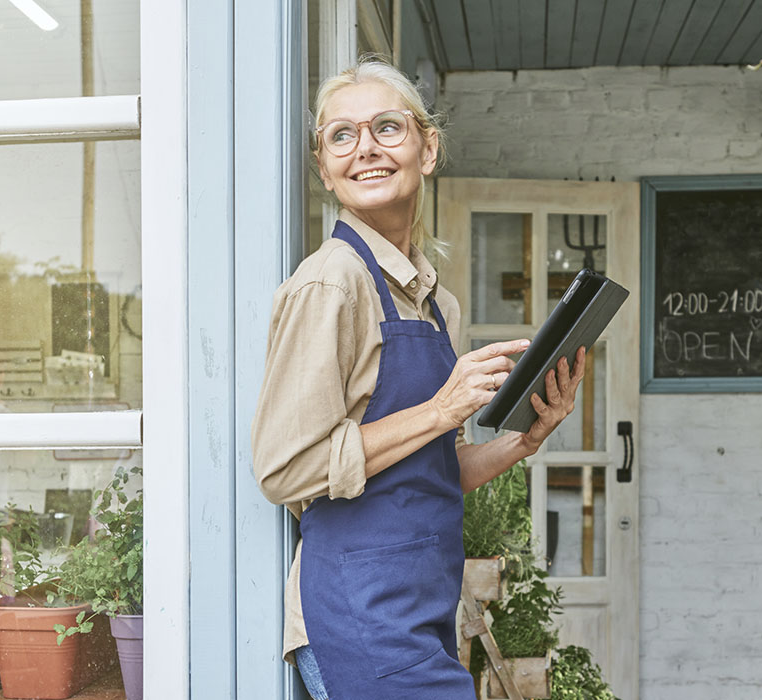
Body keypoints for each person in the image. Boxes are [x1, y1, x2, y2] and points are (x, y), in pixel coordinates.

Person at [251, 59, 586, 700]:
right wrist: (440, 408)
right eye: (341, 136)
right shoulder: (332, 283)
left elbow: (428, 472)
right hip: (358, 617)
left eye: (386, 127)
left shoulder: (436, 302)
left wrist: (523, 441)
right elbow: (283, 469)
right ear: (324, 167)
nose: (366, 149)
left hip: (420, 612)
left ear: (427, 148)